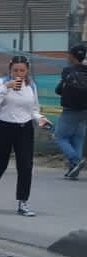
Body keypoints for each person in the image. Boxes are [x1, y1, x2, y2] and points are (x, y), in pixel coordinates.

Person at [0, 55, 52, 217]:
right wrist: (6, 87)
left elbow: (34, 109)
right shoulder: (1, 83)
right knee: (0, 163)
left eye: (22, 70)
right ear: (10, 70)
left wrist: (40, 119)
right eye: (15, 70)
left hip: (24, 129)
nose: (18, 74)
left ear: (27, 70)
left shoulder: (31, 85)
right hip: (2, 127)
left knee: (26, 165)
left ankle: (23, 202)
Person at [52, 42, 86, 180]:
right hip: (85, 110)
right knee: (77, 137)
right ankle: (73, 169)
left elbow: (59, 89)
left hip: (70, 109)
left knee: (59, 137)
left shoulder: (68, 70)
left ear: (72, 56)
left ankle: (75, 160)